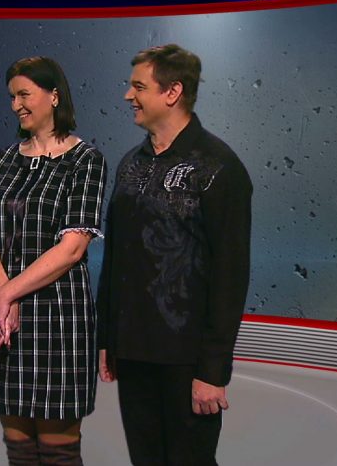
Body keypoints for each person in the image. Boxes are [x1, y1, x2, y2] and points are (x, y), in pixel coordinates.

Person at [97, 44, 252, 466]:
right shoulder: (130, 165)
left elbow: (231, 275)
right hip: (133, 353)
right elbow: (116, 257)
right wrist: (108, 338)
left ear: (172, 91)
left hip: (187, 359)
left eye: (138, 87)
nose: (128, 96)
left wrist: (212, 371)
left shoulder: (220, 167)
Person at [0, 56, 106, 465]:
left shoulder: (85, 160)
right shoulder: (1, 161)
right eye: (12, 97)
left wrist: (7, 294)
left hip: (58, 313)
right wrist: (3, 297)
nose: (16, 105)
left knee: (59, 452)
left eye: (24, 94)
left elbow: (72, 248)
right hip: (3, 314)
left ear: (53, 96)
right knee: (20, 449)